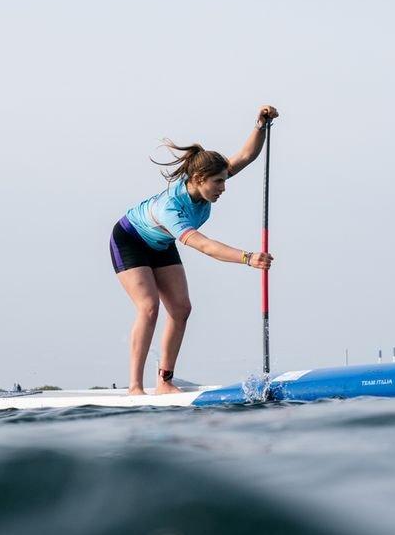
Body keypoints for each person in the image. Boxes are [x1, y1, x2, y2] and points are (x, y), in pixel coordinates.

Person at [110, 105, 279, 394]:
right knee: (149, 307)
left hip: (160, 243)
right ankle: (135, 388)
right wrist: (247, 258)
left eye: (225, 180)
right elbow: (204, 246)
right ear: (199, 179)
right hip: (130, 240)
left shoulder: (209, 178)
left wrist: (260, 125)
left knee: (181, 309)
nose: (223, 188)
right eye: (218, 183)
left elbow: (247, 156)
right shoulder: (171, 209)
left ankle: (164, 382)